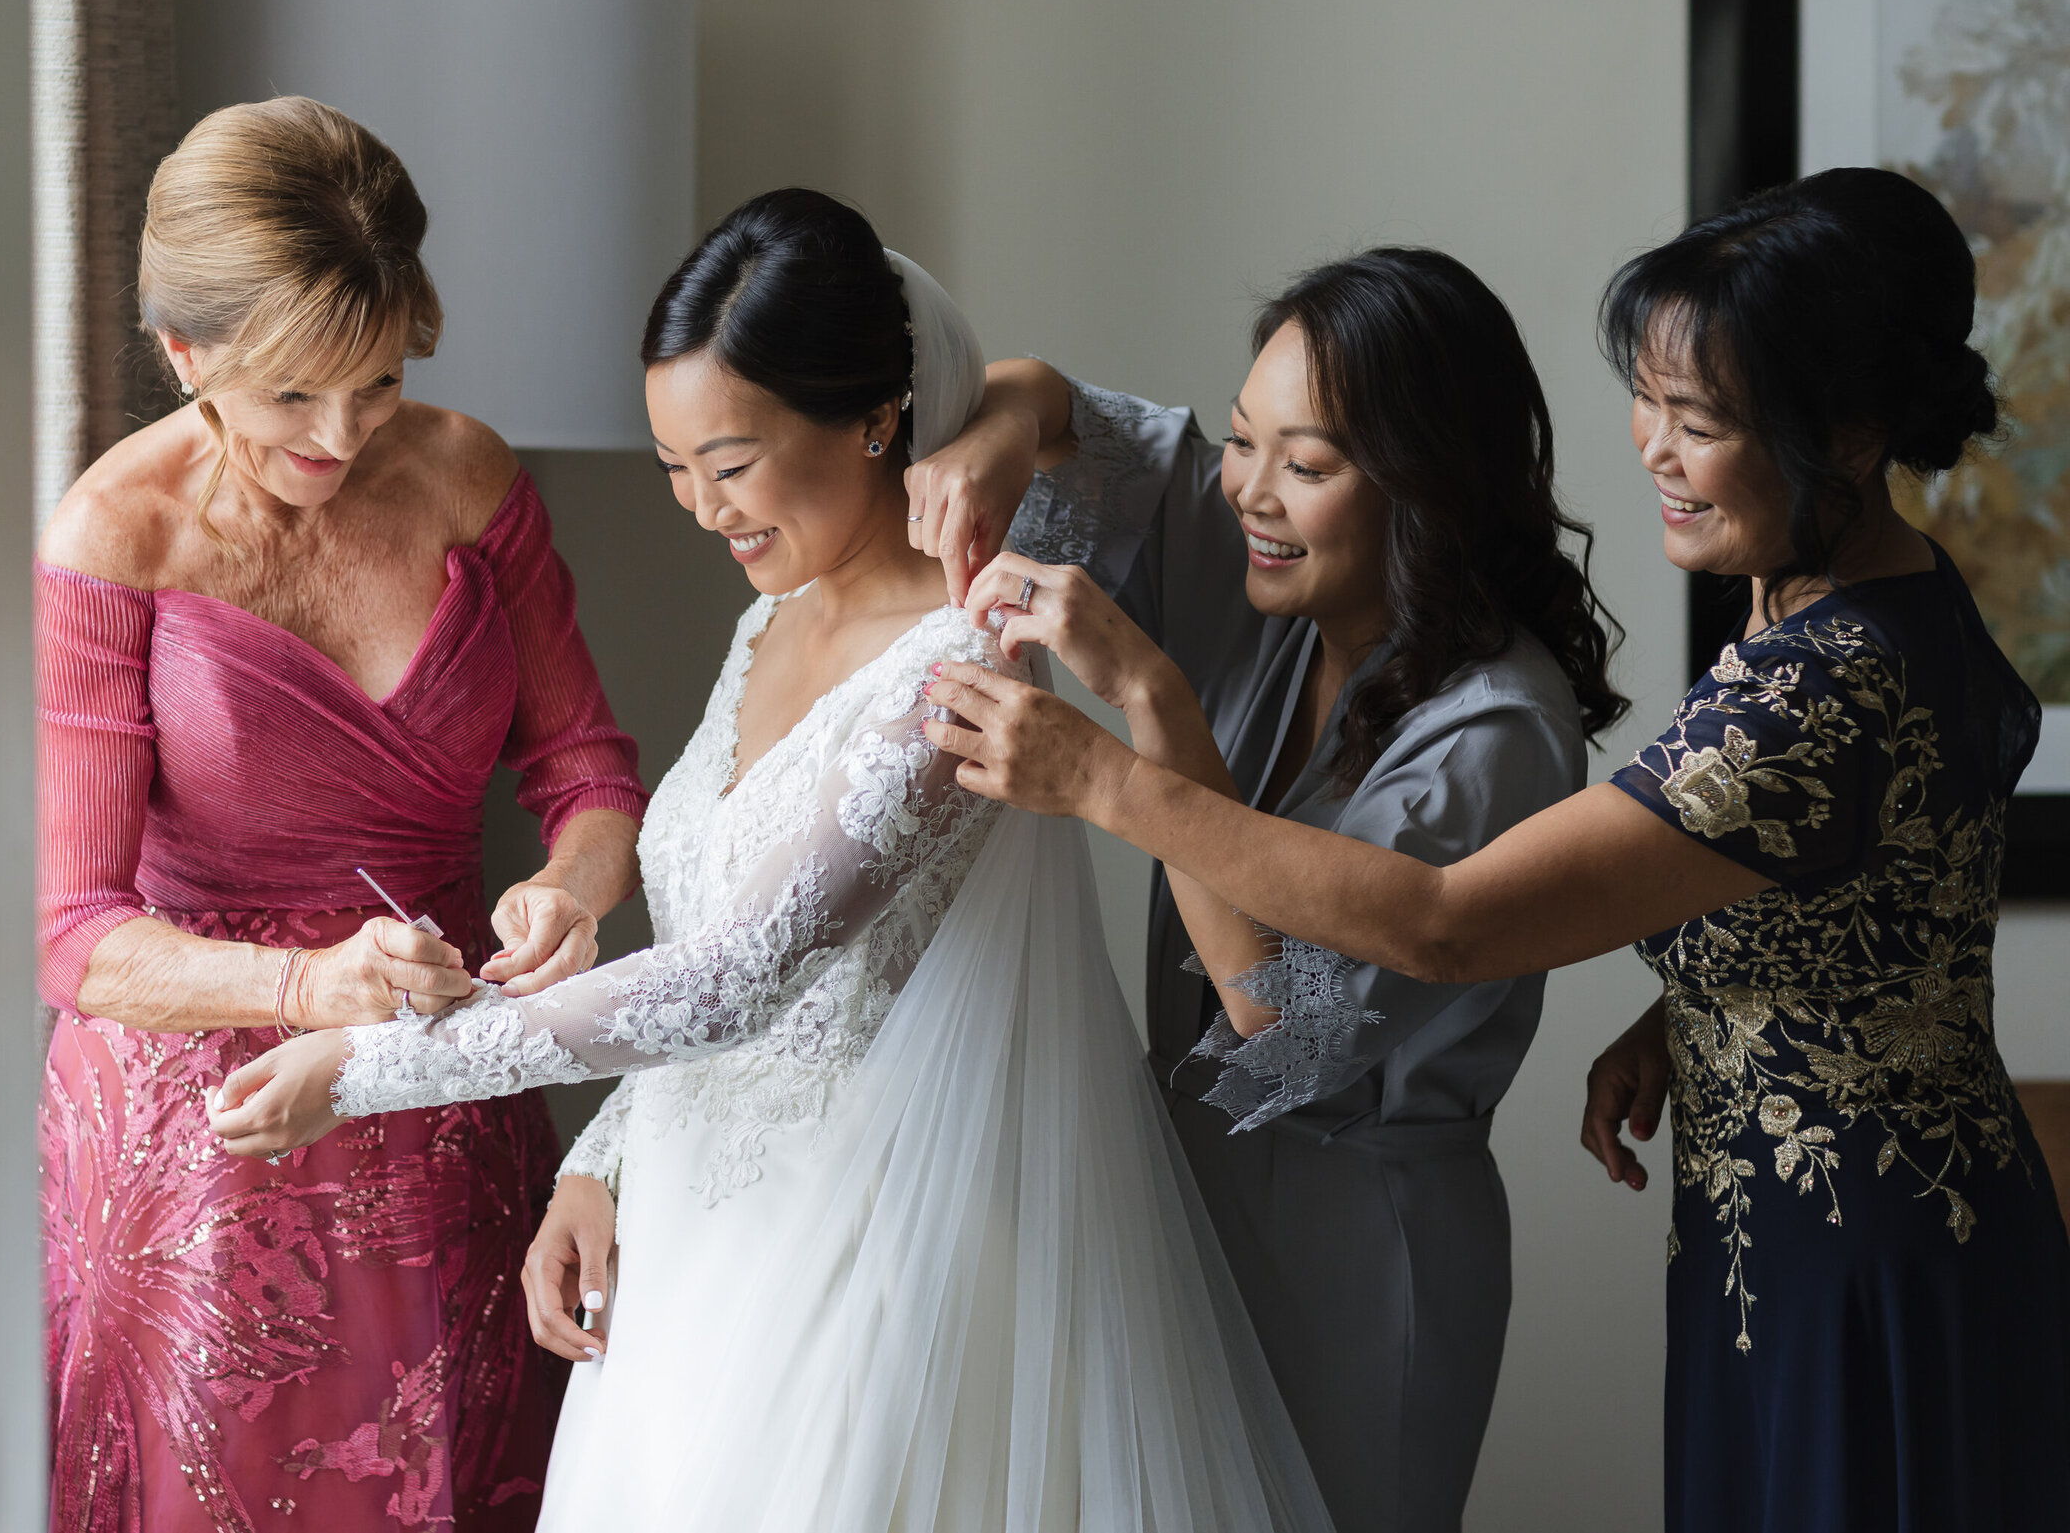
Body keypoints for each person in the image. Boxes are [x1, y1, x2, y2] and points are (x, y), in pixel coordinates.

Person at [916, 168, 2070, 1533]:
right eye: (1649, 400)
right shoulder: (1834, 599)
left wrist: (1121, 763)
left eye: (1698, 421)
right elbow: (1889, 869)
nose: (1649, 448)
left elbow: (1433, 932)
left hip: (1858, 1257)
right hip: (1785, 1217)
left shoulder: (1807, 684)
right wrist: (1699, 998)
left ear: (1858, 431)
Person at [208, 188, 1334, 1533]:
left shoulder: (955, 662)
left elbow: (740, 978)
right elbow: (705, 932)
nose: (700, 509)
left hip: (857, 1264)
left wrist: (366, 1068)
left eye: (730, 465)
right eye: (676, 468)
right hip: (687, 1270)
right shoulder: (774, 625)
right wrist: (602, 1165)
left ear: (872, 418)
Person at [904, 246, 1626, 1533]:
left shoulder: (1498, 730)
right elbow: (1060, 412)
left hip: (1357, 1244)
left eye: (1309, 464)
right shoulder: (1265, 587)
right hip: (1173, 1196)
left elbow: (1287, 1033)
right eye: (1244, 440)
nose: (1250, 490)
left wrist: (1145, 720)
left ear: (1428, 485)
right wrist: (997, 436)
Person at [37, 96, 648, 1532]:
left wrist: (571, 884)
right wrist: (309, 984)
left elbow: (590, 766)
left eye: (374, 382)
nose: (342, 434)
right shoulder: (112, 538)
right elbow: (70, 929)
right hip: (208, 1135)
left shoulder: (468, 476)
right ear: (188, 356)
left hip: (445, 1081)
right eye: (294, 395)